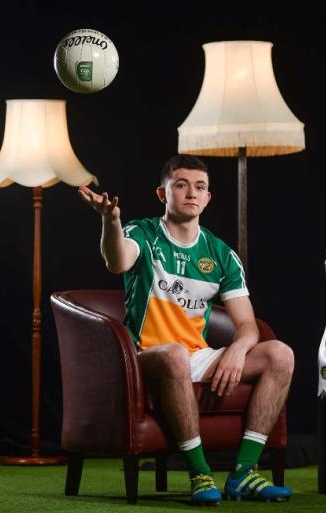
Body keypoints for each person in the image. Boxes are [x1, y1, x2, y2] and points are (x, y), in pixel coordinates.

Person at [78, 154, 294, 505]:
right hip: (146, 355)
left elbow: (246, 325)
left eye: (199, 187)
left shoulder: (220, 254)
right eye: (181, 185)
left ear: (208, 197)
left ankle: (244, 473)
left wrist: (237, 351)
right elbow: (116, 262)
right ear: (162, 194)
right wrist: (111, 221)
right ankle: (200, 473)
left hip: (197, 356)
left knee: (280, 354)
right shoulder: (143, 233)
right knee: (176, 354)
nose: (191, 193)